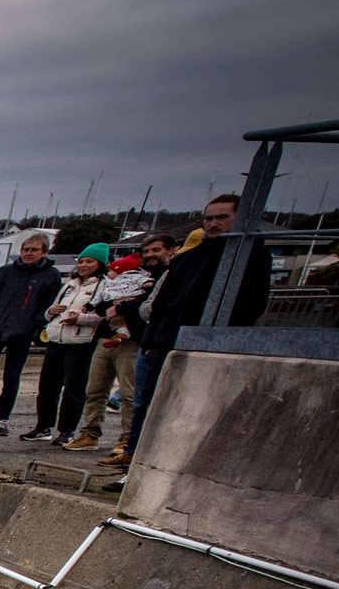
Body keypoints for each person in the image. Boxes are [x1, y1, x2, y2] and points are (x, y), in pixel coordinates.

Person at [111, 192, 272, 469]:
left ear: (240, 218)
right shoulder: (186, 260)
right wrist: (152, 342)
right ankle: (137, 465)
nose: (213, 223)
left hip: (215, 349)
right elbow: (160, 306)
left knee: (196, 413)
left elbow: (252, 304)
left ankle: (180, 468)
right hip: (164, 345)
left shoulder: (254, 257)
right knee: (150, 407)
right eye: (209, 218)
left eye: (222, 218)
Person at [69, 233, 171, 451]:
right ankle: (89, 434)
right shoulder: (114, 281)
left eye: (156, 250)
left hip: (132, 342)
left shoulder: (154, 280)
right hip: (104, 338)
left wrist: (123, 307)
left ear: (170, 251)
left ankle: (126, 438)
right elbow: (101, 303)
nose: (150, 255)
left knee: (129, 394)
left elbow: (148, 305)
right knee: (95, 390)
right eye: (147, 251)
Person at [0, 234, 65, 435]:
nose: (29, 253)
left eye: (34, 250)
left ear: (44, 252)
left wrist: (33, 324)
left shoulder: (51, 275)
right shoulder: (5, 272)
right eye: (26, 249)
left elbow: (49, 306)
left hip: (22, 334)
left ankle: (1, 419)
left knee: (11, 378)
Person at [31, 244, 110, 444]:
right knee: (48, 385)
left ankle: (67, 430)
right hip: (57, 338)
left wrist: (81, 319)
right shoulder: (69, 284)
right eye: (81, 261)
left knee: (74, 388)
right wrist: (51, 313)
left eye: (89, 261)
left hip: (81, 342)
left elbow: (104, 315)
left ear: (100, 264)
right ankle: (43, 427)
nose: (83, 265)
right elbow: (50, 310)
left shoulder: (103, 285)